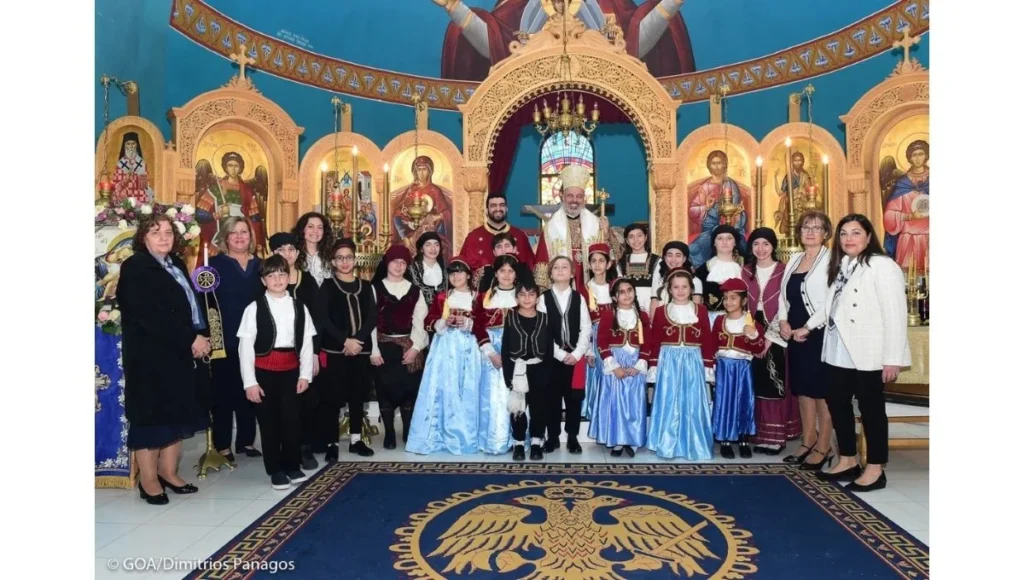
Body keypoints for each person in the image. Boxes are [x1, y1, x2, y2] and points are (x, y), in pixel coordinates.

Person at [802, 214, 911, 492]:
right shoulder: (844, 265)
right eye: (844, 234)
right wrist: (807, 327)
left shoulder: (881, 265)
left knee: (871, 409)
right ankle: (848, 458)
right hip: (839, 349)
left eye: (855, 233)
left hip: (869, 352)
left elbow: (896, 313)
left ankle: (875, 468)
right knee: (837, 403)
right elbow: (831, 304)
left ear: (868, 236)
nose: (849, 239)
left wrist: (893, 358)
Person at [117, 214, 207, 505]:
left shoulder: (176, 263)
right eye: (156, 232)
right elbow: (150, 316)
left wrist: (200, 334)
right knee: (151, 417)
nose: (164, 238)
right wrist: (190, 339)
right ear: (143, 237)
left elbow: (189, 305)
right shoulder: (136, 267)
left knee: (175, 415)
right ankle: (149, 479)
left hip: (177, 353)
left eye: (168, 232)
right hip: (150, 355)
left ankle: (169, 472)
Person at [435, 0, 695, 81]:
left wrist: (670, 4)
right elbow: (496, 48)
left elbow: (633, 47)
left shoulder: (609, 4)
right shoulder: (518, 6)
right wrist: (454, 7)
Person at [237, 255, 317, 490]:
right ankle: (276, 469)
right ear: (263, 281)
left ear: (289, 277)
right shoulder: (254, 309)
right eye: (271, 275)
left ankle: (292, 465)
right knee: (269, 422)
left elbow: (306, 343)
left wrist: (305, 375)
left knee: (292, 421)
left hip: (291, 372)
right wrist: (249, 382)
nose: (277, 279)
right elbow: (245, 348)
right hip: (263, 373)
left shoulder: (299, 307)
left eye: (282, 274)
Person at [777, 211, 835, 469]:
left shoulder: (833, 260)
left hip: (820, 334)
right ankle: (807, 439)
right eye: (805, 227)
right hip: (794, 333)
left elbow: (832, 300)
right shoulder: (795, 260)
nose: (810, 232)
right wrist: (783, 321)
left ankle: (825, 445)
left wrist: (808, 327)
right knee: (802, 390)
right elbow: (783, 295)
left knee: (822, 391)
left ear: (826, 233)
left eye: (816, 227)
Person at [406, 259, 482, 455]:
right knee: (444, 388)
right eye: (452, 273)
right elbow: (429, 321)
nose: (456, 277)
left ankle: (468, 433)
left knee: (468, 387)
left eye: (460, 272)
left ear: (468, 275)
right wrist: (443, 322)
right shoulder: (443, 297)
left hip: (470, 347)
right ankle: (440, 433)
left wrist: (468, 323)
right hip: (446, 347)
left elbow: (484, 322)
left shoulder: (478, 297)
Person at [314, 238, 377, 460]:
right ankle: (332, 443)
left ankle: (356, 440)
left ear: (354, 260)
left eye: (348, 257)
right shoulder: (328, 286)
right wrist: (345, 341)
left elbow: (371, 317)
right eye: (340, 258)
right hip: (336, 351)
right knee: (333, 398)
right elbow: (323, 319)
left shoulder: (366, 286)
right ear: (333, 262)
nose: (344, 262)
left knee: (357, 396)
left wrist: (357, 340)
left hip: (360, 350)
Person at [208, 216, 263, 462]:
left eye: (244, 232)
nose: (240, 237)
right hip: (225, 338)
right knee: (223, 393)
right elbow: (205, 302)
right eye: (234, 232)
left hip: (255, 339)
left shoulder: (261, 265)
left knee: (250, 390)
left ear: (251, 236)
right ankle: (222, 444)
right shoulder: (213, 265)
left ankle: (246, 441)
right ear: (225, 237)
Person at [741, 228, 800, 454]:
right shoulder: (745, 271)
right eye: (756, 244)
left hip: (776, 332)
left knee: (774, 384)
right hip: (750, 329)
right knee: (754, 383)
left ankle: (775, 437)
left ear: (773, 246)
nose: (761, 249)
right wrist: (751, 336)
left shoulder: (785, 271)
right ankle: (757, 433)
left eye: (766, 244)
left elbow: (787, 306)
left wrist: (768, 339)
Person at [647, 269, 716, 460]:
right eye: (676, 287)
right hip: (668, 361)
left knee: (692, 401)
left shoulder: (700, 310)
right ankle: (667, 442)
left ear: (691, 289)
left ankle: (693, 442)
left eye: (684, 286)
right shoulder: (661, 312)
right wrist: (653, 365)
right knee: (669, 401)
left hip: (693, 361)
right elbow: (655, 340)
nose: (680, 290)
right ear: (669, 289)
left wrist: (708, 365)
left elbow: (707, 339)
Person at [269, 232, 321, 471]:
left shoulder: (307, 280)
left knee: (306, 401)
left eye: (291, 249)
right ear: (272, 253)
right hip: (275, 354)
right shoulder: (266, 280)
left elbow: (316, 320)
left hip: (304, 351)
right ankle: (281, 449)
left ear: (298, 253)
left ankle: (304, 447)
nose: (287, 254)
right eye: (281, 250)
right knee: (279, 405)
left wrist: (314, 353)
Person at [370, 245, 429, 449]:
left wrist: (415, 348)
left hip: (408, 347)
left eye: (403, 262)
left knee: (408, 392)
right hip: (383, 347)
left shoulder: (415, 291)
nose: (398, 265)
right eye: (395, 261)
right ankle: (389, 434)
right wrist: (374, 350)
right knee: (385, 392)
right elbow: (370, 323)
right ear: (387, 263)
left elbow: (419, 322)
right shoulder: (375, 289)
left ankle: (407, 430)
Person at [591, 278, 652, 457]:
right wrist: (613, 366)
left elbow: (648, 343)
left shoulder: (643, 316)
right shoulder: (609, 316)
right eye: (622, 292)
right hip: (615, 362)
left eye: (629, 290)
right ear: (615, 297)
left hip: (635, 363)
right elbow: (601, 342)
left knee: (634, 403)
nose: (627, 295)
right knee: (615, 403)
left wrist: (640, 364)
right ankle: (617, 440)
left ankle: (632, 440)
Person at [537, 256, 591, 455]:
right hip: (552, 357)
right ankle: (552, 437)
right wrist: (560, 354)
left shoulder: (579, 298)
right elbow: (541, 330)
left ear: (571, 273)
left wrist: (577, 353)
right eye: (556, 268)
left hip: (575, 358)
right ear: (550, 274)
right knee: (552, 399)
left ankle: (573, 437)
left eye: (564, 267)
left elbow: (586, 328)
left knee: (573, 399)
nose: (560, 270)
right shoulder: (543, 299)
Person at [472, 254, 522, 454]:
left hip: (518, 350)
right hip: (492, 352)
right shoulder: (485, 297)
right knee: (495, 396)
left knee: (518, 393)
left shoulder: (524, 295)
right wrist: (491, 353)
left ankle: (519, 439)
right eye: (502, 271)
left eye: (511, 271)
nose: (506, 275)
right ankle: (497, 439)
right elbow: (478, 326)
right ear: (495, 273)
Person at [710, 278, 765, 459]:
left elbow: (758, 348)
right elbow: (711, 346)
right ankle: (725, 439)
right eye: (725, 298)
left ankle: (743, 438)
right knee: (724, 402)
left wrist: (754, 335)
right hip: (724, 368)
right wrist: (710, 367)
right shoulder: (719, 320)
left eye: (733, 298)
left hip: (743, 370)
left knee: (744, 402)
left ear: (743, 301)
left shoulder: (752, 323)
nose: (728, 302)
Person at [534, 163, 611, 290]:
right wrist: (543, 291)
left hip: (591, 286)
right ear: (562, 196)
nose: (574, 200)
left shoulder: (596, 224)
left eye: (579, 196)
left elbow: (610, 257)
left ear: (584, 199)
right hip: (561, 288)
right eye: (570, 196)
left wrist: (607, 233)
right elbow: (542, 262)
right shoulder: (551, 227)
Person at [502, 278, 552, 461]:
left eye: (531, 294)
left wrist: (547, 374)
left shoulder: (545, 319)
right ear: (516, 298)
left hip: (538, 369)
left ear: (538, 298)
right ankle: (519, 444)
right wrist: (508, 376)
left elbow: (549, 349)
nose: (527, 298)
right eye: (522, 294)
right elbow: (505, 348)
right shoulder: (510, 318)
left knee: (539, 408)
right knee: (518, 409)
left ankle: (536, 442)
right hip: (517, 369)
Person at [687, 151, 753, 267]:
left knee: (743, 247)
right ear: (709, 166)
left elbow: (738, 208)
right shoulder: (705, 187)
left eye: (719, 163)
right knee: (695, 249)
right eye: (713, 163)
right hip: (709, 230)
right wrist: (706, 207)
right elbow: (692, 210)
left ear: (724, 165)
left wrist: (737, 217)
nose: (716, 166)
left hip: (732, 228)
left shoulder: (731, 185)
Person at [194, 153, 266, 258]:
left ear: (240, 168)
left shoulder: (247, 191)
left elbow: (254, 218)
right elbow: (199, 214)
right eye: (230, 165)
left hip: (241, 240)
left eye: (236, 166)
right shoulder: (215, 189)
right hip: (218, 240)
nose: (233, 169)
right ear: (225, 167)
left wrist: (258, 241)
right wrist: (217, 214)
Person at [458, 191, 536, 281]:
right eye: (493, 205)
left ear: (507, 209)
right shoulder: (473, 237)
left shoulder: (520, 236)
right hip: (482, 293)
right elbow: (462, 268)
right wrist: (477, 275)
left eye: (502, 205)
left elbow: (530, 267)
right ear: (486, 210)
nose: (498, 209)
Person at [390, 156, 455, 259]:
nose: (421, 173)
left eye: (424, 169)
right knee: (401, 251)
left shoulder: (435, 190)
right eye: (418, 170)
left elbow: (446, 213)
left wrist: (435, 217)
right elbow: (397, 213)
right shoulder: (411, 191)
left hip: (431, 232)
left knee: (442, 248)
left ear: (430, 171)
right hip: (411, 233)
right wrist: (404, 237)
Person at [882, 140, 929, 269]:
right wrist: (909, 216)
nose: (918, 158)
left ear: (926, 155)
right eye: (914, 155)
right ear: (909, 158)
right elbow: (889, 216)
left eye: (921, 154)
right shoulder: (902, 183)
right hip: (908, 240)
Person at [583, 243, 614, 421]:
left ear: (608, 264)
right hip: (593, 336)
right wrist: (588, 348)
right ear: (588, 265)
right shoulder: (584, 289)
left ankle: (610, 409)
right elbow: (583, 321)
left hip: (613, 335)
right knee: (596, 373)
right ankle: (595, 411)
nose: (597, 265)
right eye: (593, 261)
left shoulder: (615, 287)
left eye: (601, 261)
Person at [695, 224, 744, 324]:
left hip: (739, 321)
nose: (724, 242)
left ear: (735, 243)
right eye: (720, 238)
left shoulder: (744, 270)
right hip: (710, 321)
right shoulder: (702, 271)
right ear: (714, 242)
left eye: (729, 238)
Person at [616, 222, 660, 314]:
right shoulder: (621, 262)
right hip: (628, 306)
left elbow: (657, 287)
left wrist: (653, 309)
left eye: (639, 235)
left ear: (646, 237)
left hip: (651, 306)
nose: (636, 240)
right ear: (627, 241)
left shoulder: (657, 261)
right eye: (631, 237)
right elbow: (620, 288)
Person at [649, 241, 702, 312]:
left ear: (684, 258)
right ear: (664, 258)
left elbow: (697, 310)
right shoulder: (659, 280)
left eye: (678, 255)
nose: (673, 259)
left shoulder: (695, 281)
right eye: (670, 255)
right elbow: (654, 307)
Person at [111, 132, 155, 204]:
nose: (131, 146)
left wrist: (140, 179)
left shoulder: (141, 163)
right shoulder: (120, 164)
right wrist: (126, 179)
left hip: (139, 196)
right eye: (128, 143)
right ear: (124, 146)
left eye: (133, 143)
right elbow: (116, 185)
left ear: (136, 145)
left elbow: (144, 185)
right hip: (124, 196)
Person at [291, 212, 334, 286]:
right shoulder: (293, 255)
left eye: (320, 227)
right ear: (302, 229)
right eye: (310, 226)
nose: (315, 231)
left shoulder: (331, 255)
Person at [408, 232, 448, 309]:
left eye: (436, 244)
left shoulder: (445, 270)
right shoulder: (411, 271)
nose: (433, 248)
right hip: (419, 317)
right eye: (428, 245)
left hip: (443, 318)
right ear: (422, 249)